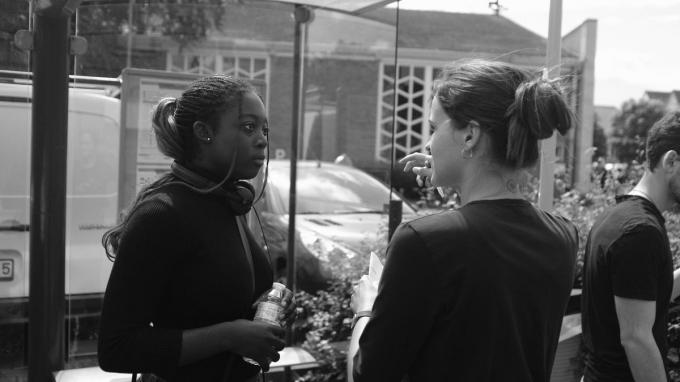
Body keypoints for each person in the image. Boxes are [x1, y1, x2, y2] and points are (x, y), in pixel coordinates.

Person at [347, 59, 579, 382]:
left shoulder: (423, 242)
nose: (428, 144)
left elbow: (367, 376)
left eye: (433, 128)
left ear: (470, 135)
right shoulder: (563, 236)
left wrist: (366, 309)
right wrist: (459, 182)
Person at [98, 75, 292, 382]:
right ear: (204, 132)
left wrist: (263, 311)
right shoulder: (161, 214)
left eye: (264, 129)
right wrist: (229, 336)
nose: (262, 140)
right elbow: (115, 348)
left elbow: (211, 302)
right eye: (247, 127)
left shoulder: (227, 202)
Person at [581, 110, 680, 382]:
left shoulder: (617, 217)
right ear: (671, 161)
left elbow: (644, 295)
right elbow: (636, 339)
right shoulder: (641, 233)